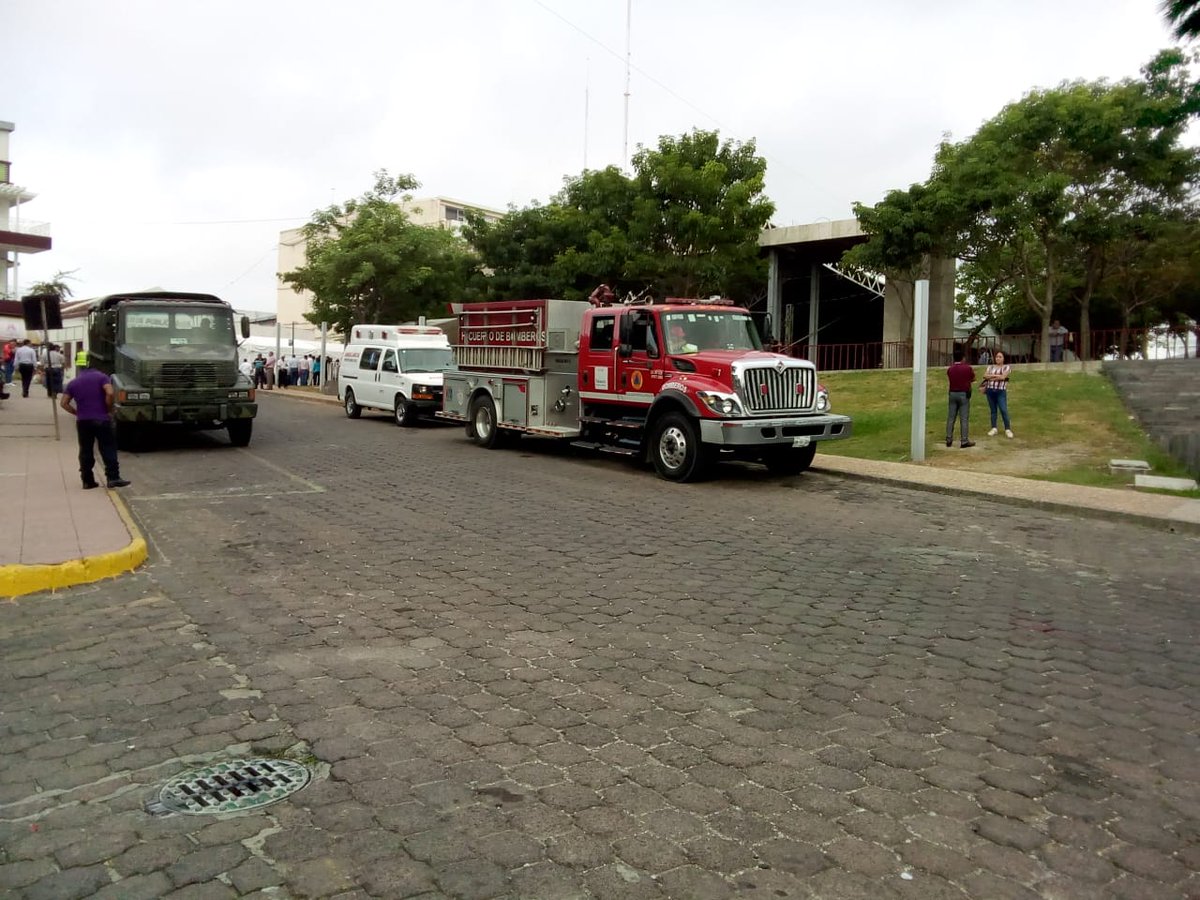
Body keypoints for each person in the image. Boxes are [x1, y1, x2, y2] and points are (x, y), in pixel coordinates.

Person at [59, 352, 130, 489]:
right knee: (108, 447)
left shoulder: (73, 383)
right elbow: (109, 392)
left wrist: (76, 412)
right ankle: (113, 478)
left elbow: (63, 403)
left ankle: (87, 480)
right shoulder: (102, 377)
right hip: (101, 419)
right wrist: (108, 409)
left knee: (85, 450)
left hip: (83, 421)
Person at [945, 350, 975, 448]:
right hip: (963, 394)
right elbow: (972, 378)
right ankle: (964, 440)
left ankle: (949, 439)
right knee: (964, 418)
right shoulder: (967, 368)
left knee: (951, 417)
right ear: (963, 357)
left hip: (952, 393)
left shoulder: (950, 369)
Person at [981, 350, 1013, 438]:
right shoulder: (990, 367)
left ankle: (1007, 429)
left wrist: (991, 377)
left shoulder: (1006, 367)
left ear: (1003, 358)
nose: (998, 358)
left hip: (1000, 391)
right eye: (997, 357)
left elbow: (1003, 377)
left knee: (1003, 409)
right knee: (993, 410)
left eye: (1000, 357)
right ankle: (994, 428)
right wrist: (997, 377)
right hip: (990, 390)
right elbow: (985, 376)